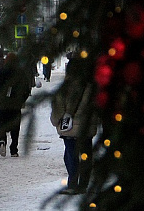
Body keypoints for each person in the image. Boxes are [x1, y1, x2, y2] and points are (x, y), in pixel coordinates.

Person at [50, 59, 98, 194]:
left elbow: (58, 107)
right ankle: (83, 184)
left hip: (70, 129)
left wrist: (56, 121)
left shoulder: (66, 87)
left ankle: (72, 184)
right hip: (86, 128)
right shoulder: (91, 86)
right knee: (86, 155)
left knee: (71, 155)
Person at [0, 52, 31, 157]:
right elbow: (27, 88)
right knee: (15, 127)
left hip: (3, 104)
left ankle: (2, 141)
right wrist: (22, 99)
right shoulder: (21, 73)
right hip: (16, 104)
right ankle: (14, 149)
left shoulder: (0, 73)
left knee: (2, 124)